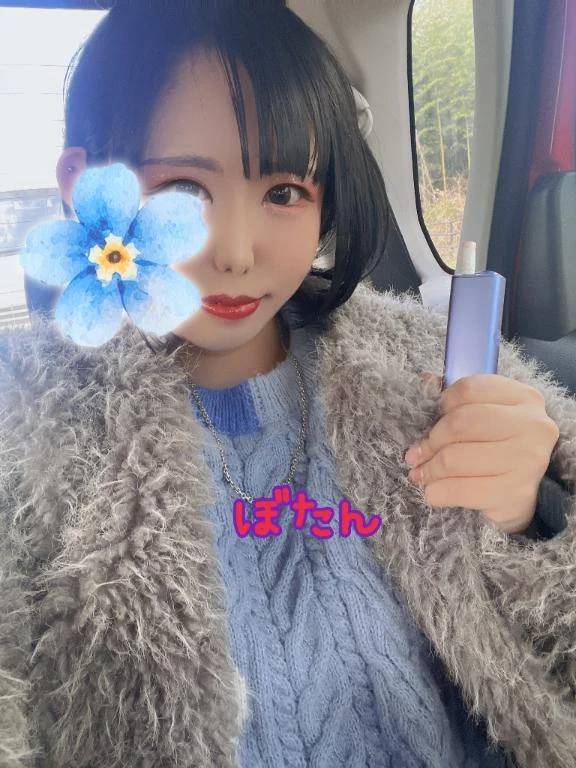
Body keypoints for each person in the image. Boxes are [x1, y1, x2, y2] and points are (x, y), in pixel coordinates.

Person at [0, 1, 575, 767]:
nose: (238, 254)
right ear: (84, 187)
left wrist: (535, 516)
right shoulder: (26, 432)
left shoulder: (429, 373)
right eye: (184, 191)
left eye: (283, 193)